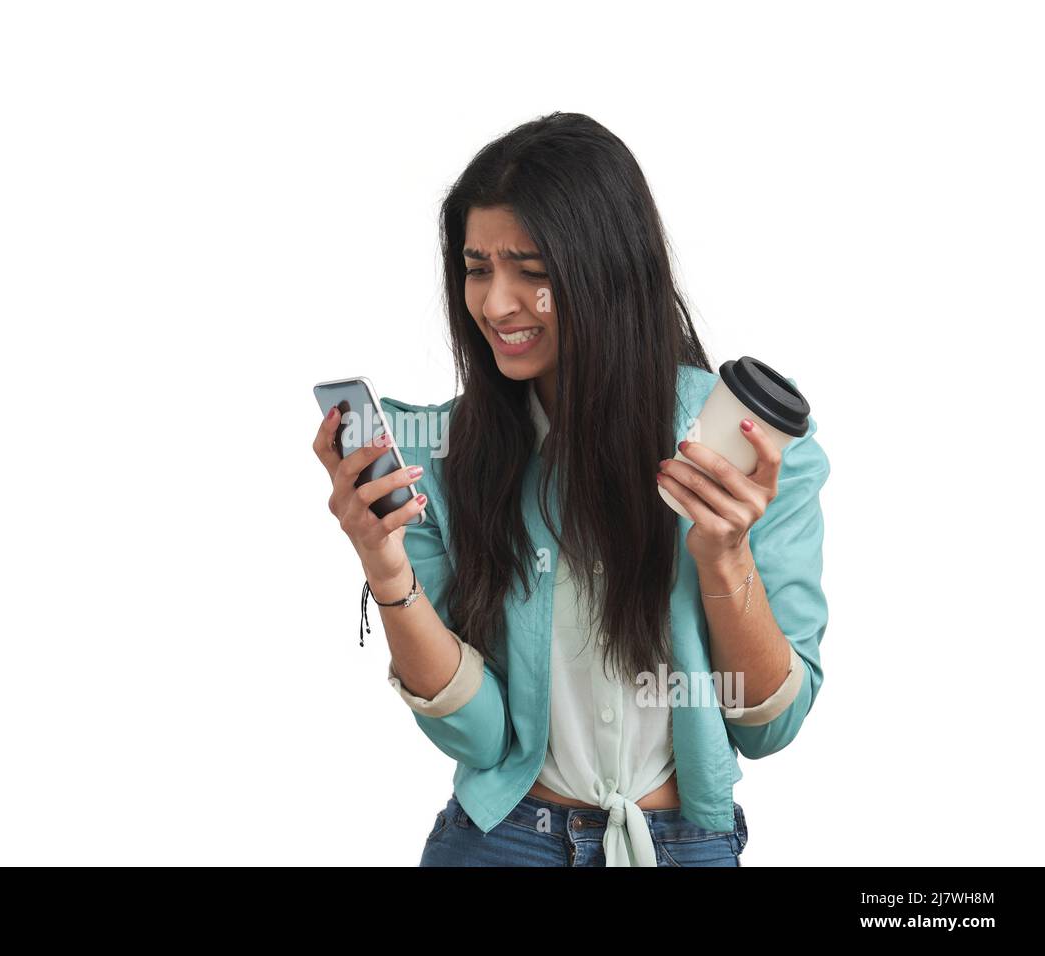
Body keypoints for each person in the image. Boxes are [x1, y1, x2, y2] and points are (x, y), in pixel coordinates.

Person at [312, 112, 829, 866]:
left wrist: (726, 560)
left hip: (685, 845)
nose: (494, 303)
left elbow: (767, 726)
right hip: (500, 840)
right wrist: (387, 571)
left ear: (607, 270)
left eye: (532, 270)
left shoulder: (743, 450)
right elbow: (480, 737)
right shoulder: (444, 456)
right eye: (478, 266)